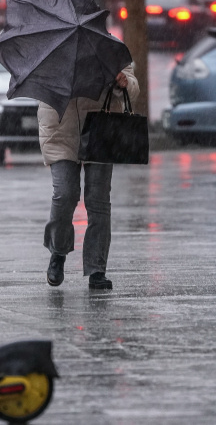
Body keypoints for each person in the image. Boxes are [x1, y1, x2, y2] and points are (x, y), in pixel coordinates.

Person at [38, 66, 140, 290]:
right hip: (60, 129)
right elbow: (39, 84)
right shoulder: (54, 47)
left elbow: (132, 88)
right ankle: (58, 251)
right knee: (65, 194)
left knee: (98, 199)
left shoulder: (108, 47)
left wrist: (123, 83)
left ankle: (97, 268)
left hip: (100, 127)